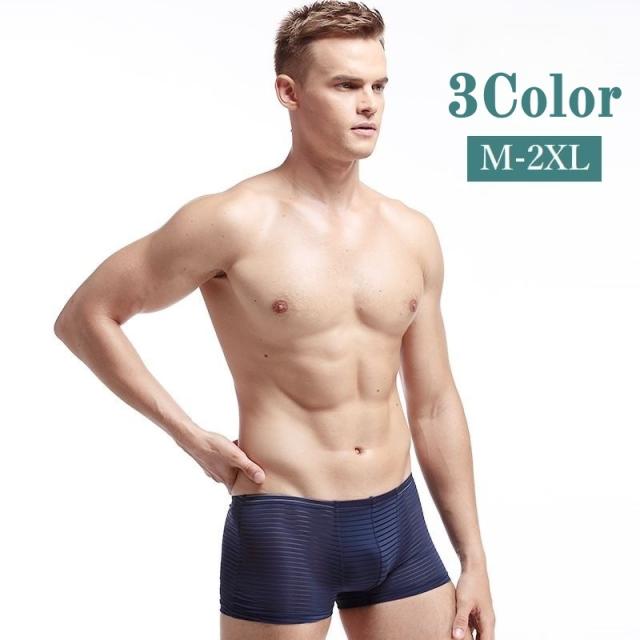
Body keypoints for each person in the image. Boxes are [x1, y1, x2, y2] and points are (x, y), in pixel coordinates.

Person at [54, 1, 495, 639]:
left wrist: (473, 557)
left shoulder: (411, 234)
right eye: (345, 85)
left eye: (378, 86)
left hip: (398, 523)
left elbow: (433, 404)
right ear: (289, 93)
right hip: (286, 522)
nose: (368, 105)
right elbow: (86, 317)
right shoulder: (232, 221)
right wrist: (188, 435)